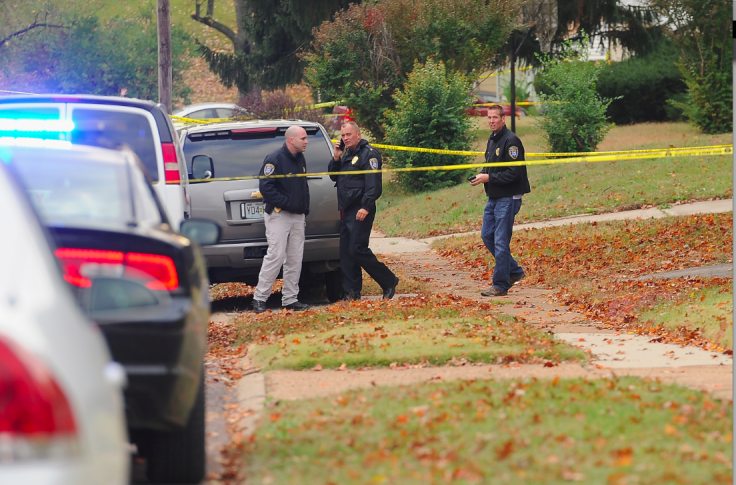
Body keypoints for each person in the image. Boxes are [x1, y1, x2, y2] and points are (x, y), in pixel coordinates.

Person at [328, 121, 399, 300]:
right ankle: (351, 292)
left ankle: (388, 280)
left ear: (358, 135)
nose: (345, 138)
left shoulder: (369, 154)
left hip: (360, 208)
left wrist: (366, 206)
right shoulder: (346, 155)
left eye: (349, 135)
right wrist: (336, 157)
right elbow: (333, 177)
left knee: (357, 249)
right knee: (346, 252)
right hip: (346, 209)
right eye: (343, 136)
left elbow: (373, 184)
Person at [470, 105, 531, 297]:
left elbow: (515, 172)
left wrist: (490, 178)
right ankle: (514, 271)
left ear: (503, 119)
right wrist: (482, 175)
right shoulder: (493, 139)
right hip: (495, 195)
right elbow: (493, 167)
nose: (491, 121)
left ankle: (500, 285)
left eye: (495, 117)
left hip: (508, 196)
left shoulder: (511, 141)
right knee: (487, 235)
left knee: (501, 241)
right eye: (489, 117)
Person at [252, 126, 311, 313]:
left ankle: (290, 299)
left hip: (298, 216)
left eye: (306, 138)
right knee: (276, 256)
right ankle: (259, 298)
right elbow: (266, 188)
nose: (306, 141)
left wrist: (302, 207)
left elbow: (301, 187)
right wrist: (287, 203)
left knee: (295, 258)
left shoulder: (300, 158)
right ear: (291, 140)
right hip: (279, 215)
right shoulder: (274, 159)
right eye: (303, 138)